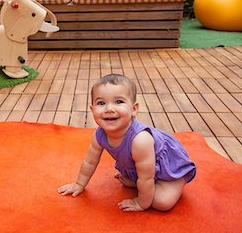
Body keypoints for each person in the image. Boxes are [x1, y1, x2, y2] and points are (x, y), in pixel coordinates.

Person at [57, 74, 196, 212]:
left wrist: (141, 203)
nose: (109, 109)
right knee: (143, 181)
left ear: (133, 109)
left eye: (118, 102)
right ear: (92, 109)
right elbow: (90, 161)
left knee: (161, 203)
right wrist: (79, 184)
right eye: (101, 103)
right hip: (144, 170)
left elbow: (147, 177)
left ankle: (176, 182)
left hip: (169, 169)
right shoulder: (99, 134)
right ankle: (141, 184)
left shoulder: (140, 140)